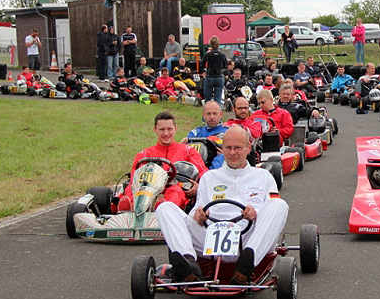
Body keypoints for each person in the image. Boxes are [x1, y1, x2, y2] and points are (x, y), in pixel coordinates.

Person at [155, 125, 289, 284]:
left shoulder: (263, 176)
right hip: (210, 238)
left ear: (248, 148)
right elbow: (198, 210)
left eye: (237, 148)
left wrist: (255, 213)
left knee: (279, 205)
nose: (232, 153)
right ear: (222, 149)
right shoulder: (209, 178)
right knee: (165, 207)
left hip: (249, 237)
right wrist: (198, 215)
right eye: (228, 148)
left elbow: (271, 212)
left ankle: (246, 265)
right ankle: (188, 263)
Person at [120, 111, 208, 212]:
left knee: (176, 191)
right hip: (148, 192)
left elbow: (205, 174)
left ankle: (162, 209)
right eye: (162, 129)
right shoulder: (145, 154)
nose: (166, 133)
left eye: (169, 129)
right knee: (130, 188)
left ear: (175, 129)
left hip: (175, 191)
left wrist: (199, 187)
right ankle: (130, 207)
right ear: (155, 130)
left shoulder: (187, 151)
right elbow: (133, 179)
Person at [201, 35, 227, 104]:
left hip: (210, 76)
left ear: (210, 44)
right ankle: (217, 111)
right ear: (218, 44)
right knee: (218, 99)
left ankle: (208, 111)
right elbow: (225, 64)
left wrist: (205, 71)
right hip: (219, 76)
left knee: (208, 99)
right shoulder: (222, 55)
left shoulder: (208, 54)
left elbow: (202, 63)